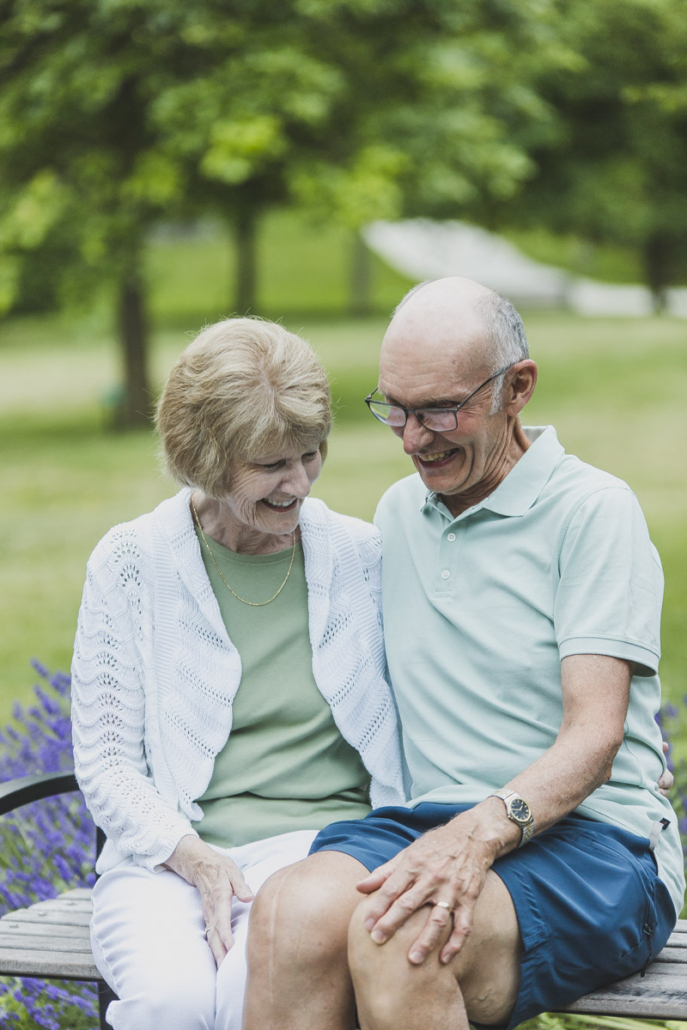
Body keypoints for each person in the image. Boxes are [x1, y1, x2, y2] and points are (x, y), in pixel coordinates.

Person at [243, 277, 685, 1030]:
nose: (415, 439)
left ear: (518, 388)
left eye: (440, 409)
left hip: (593, 842)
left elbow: (594, 736)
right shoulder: (395, 514)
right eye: (395, 410)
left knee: (410, 939)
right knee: (289, 914)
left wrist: (476, 835)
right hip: (426, 824)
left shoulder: (591, 512)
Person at [70, 318, 407, 1030]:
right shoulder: (131, 561)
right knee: (171, 1005)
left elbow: (453, 682)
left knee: (252, 993)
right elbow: (105, 763)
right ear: (203, 459)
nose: (299, 483)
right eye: (270, 465)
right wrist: (192, 857)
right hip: (170, 855)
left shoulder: (362, 556)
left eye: (311, 455)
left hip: (324, 852)